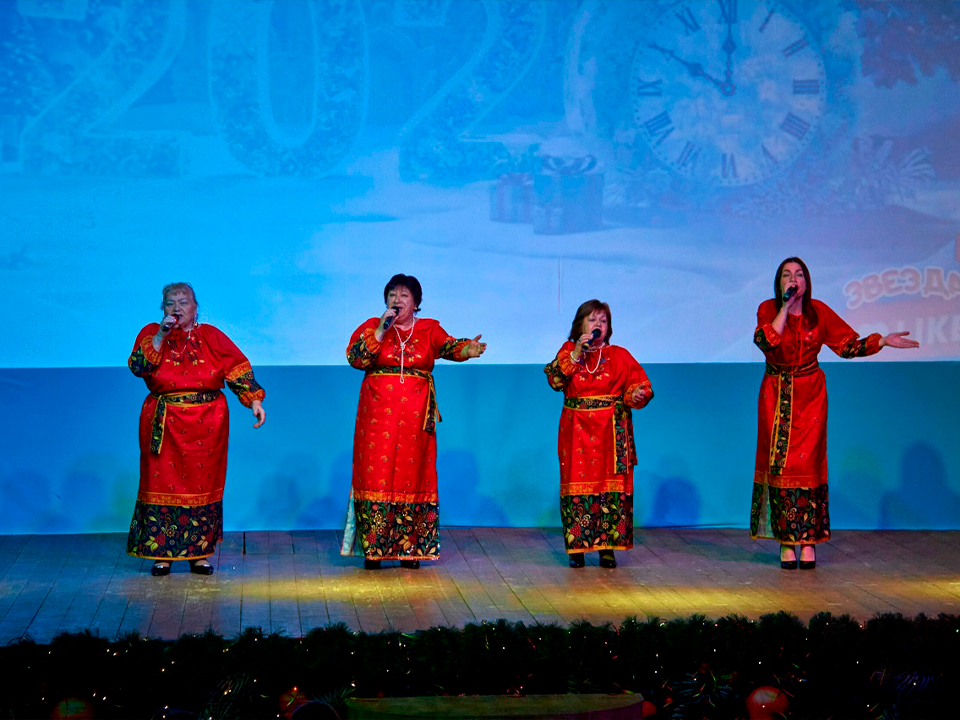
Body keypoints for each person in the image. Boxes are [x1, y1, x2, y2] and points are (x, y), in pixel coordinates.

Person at [752, 257, 918, 569]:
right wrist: (784, 308)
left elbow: (846, 346)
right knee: (781, 467)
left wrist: (881, 341)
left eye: (799, 274)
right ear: (779, 282)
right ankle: (787, 541)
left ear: (807, 282)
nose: (793, 279)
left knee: (809, 466)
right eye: (787, 275)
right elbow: (766, 342)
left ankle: (808, 540)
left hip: (811, 397)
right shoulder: (768, 309)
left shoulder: (819, 312)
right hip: (777, 395)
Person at [341, 274, 486, 569]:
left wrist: (467, 350)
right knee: (375, 474)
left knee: (414, 474)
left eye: (404, 295)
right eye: (392, 295)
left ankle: (411, 549)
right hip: (377, 418)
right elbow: (356, 358)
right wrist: (381, 329)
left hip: (416, 419)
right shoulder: (372, 326)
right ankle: (374, 549)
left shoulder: (429, 329)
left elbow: (449, 346)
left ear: (416, 302)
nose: (397, 300)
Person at [127, 282, 265, 576]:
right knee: (161, 484)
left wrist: (253, 400)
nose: (177, 308)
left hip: (207, 424)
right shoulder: (151, 333)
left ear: (196, 307)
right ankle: (162, 554)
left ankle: (199, 554)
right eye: (170, 303)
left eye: (183, 302)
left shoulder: (211, 336)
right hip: (165, 422)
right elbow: (138, 367)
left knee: (202, 485)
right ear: (162, 308)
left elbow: (236, 368)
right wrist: (161, 335)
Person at [544, 300, 653, 568]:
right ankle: (577, 549)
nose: (598, 325)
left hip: (610, 433)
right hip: (576, 431)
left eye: (603, 321)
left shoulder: (619, 355)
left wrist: (637, 394)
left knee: (609, 486)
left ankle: (607, 548)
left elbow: (640, 386)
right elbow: (555, 380)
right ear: (580, 325)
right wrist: (576, 353)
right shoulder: (568, 351)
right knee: (576, 484)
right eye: (592, 320)